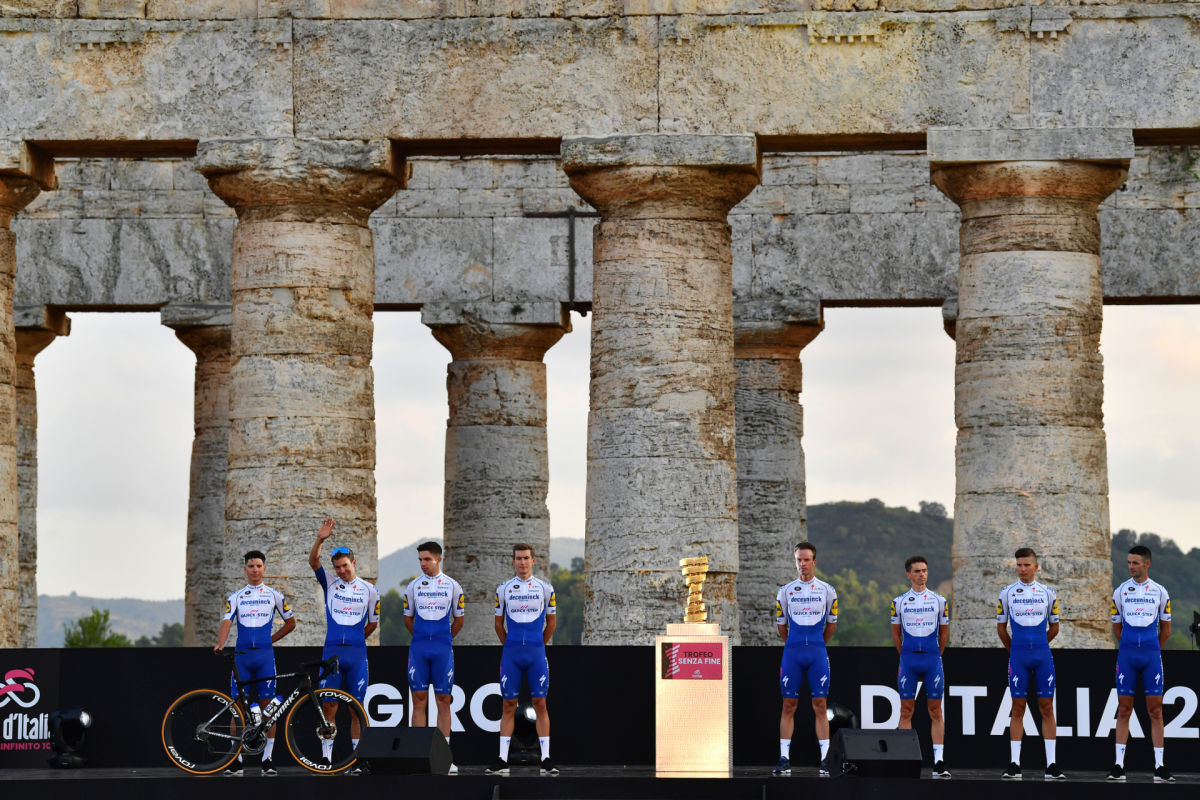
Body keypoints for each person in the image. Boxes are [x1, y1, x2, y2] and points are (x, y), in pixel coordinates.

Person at [214, 549, 296, 776]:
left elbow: (291, 623)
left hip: (264, 658)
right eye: (251, 566)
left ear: (264, 569)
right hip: (242, 659)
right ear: (245, 569)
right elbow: (226, 621)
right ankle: (236, 760)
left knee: (268, 709)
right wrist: (220, 643)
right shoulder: (236, 596)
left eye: (259, 566)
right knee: (237, 709)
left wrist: (270, 640)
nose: (255, 570)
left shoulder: (274, 595)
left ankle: (267, 759)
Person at [308, 518, 380, 772]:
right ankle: (326, 758)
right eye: (337, 567)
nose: (341, 571)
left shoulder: (370, 590)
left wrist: (355, 638)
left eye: (345, 566)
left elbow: (372, 624)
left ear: (354, 563)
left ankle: (358, 759)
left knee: (356, 710)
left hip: (357, 654)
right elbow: (313, 562)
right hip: (332, 653)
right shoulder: (330, 583)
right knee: (329, 705)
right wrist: (320, 539)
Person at [485, 543, 557, 776]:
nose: (522, 562)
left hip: (536, 653)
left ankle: (546, 759)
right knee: (508, 705)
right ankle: (502, 759)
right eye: (518, 558)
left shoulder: (546, 588)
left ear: (533, 561)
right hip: (512, 654)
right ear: (513, 561)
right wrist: (510, 646)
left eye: (526, 558)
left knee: (540, 704)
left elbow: (551, 623)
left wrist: (538, 646)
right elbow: (498, 624)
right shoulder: (503, 589)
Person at [996, 547, 1064, 780]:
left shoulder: (1048, 593)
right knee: (1017, 708)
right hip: (1019, 658)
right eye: (1019, 565)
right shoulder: (1006, 593)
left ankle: (1051, 765)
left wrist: (1039, 645)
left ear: (1036, 567)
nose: (1022, 569)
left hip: (1042, 657)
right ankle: (1014, 763)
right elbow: (1001, 628)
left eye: (1026, 565)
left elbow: (1055, 627)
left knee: (1047, 708)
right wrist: (1015, 650)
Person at [1108, 544, 1174, 783]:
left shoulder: (1160, 592)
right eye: (1128, 562)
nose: (1130, 567)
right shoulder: (1120, 591)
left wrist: (1152, 650)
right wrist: (1129, 647)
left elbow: (1166, 630)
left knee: (1155, 711)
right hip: (1127, 656)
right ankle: (1118, 766)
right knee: (1124, 709)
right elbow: (1117, 628)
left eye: (1135, 563)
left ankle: (1160, 766)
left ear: (1147, 564)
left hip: (1150, 657)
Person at [773, 541, 838, 777]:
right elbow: (782, 627)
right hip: (793, 652)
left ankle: (825, 759)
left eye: (806, 560)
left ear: (814, 562)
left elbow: (831, 625)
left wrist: (817, 644)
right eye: (799, 560)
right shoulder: (785, 591)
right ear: (795, 562)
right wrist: (794, 644)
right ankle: (784, 758)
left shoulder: (828, 590)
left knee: (820, 705)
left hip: (817, 653)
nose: (802, 564)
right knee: (788, 705)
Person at [403, 541, 465, 775]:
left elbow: (459, 620)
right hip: (419, 649)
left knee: (443, 701)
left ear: (439, 559)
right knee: (418, 700)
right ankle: (419, 755)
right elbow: (408, 619)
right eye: (420, 559)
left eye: (427, 559)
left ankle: (444, 757)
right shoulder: (413, 586)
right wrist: (422, 638)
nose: (423, 563)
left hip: (442, 649)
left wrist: (443, 639)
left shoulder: (453, 586)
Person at [890, 555, 950, 778]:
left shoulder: (939, 601)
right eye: (917, 571)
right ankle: (905, 761)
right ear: (908, 574)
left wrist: (934, 656)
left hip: (932, 660)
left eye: (924, 570)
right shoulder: (898, 602)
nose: (921, 574)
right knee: (906, 710)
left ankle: (939, 762)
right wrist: (906, 656)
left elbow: (944, 634)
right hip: (909, 661)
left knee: (936, 711)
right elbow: (896, 636)